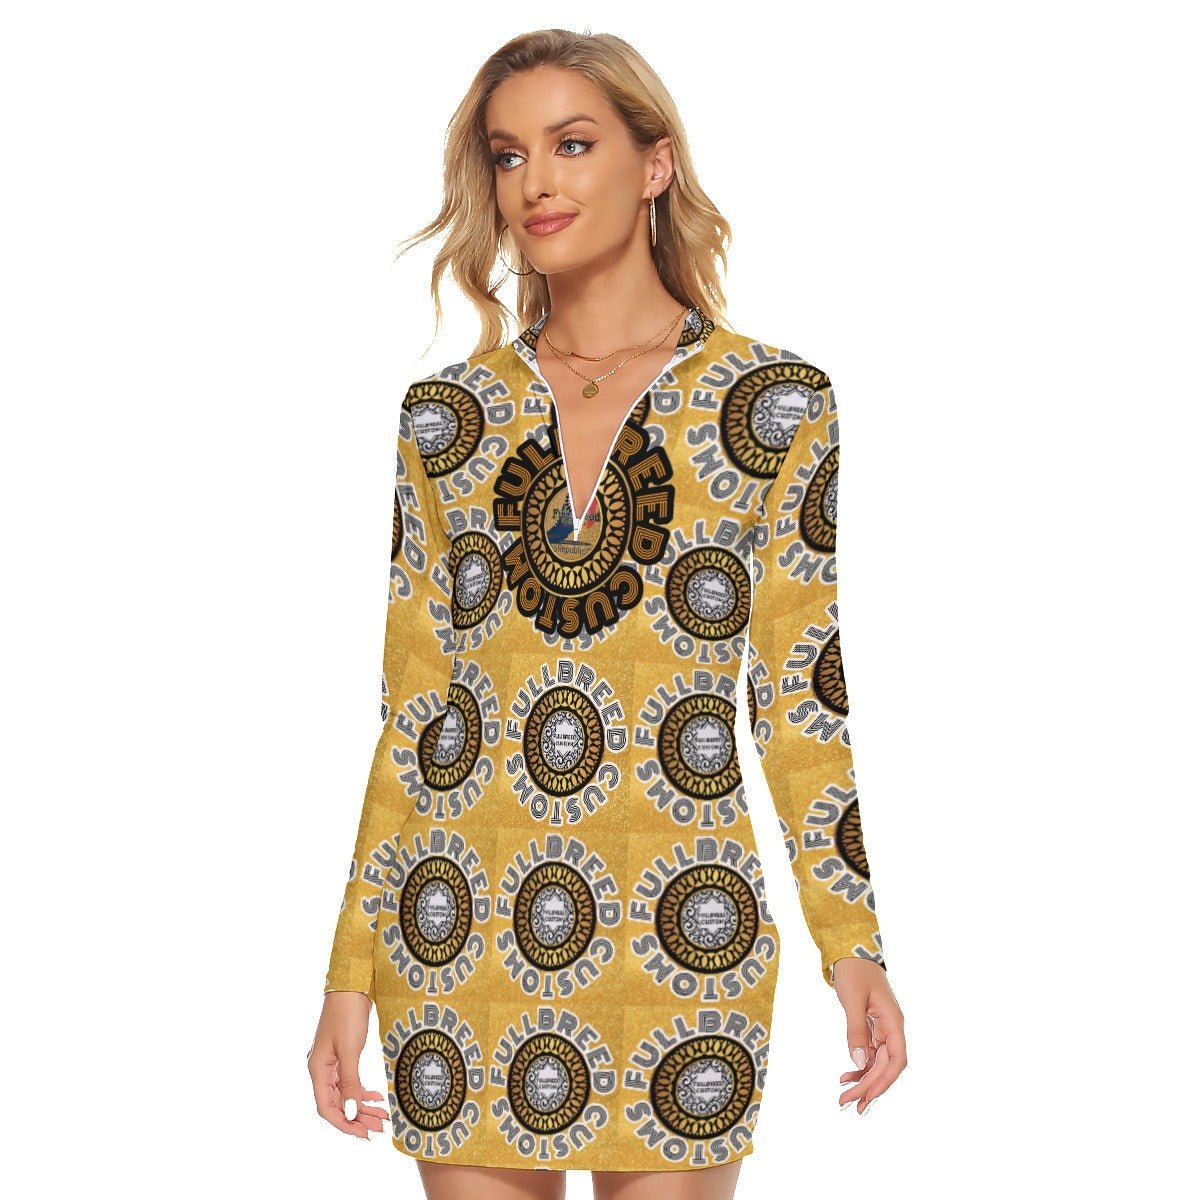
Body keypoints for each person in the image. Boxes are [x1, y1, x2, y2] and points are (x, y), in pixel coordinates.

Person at [307, 27, 907, 1200]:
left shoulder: (774, 403)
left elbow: (800, 693)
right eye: (508, 154)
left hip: (683, 936)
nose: (535, 180)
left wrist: (854, 943)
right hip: (457, 931)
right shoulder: (446, 417)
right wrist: (350, 969)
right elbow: (413, 712)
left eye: (572, 144)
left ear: (654, 163)